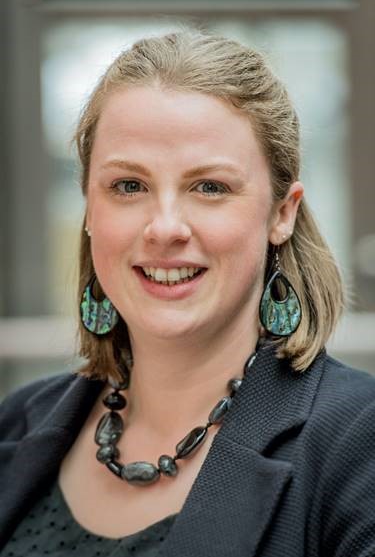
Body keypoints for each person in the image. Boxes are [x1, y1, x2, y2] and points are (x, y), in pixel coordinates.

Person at [0, 27, 374, 557]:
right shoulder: (15, 425)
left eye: (209, 187)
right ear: (89, 208)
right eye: (129, 186)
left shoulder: (358, 447)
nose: (165, 227)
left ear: (282, 214)